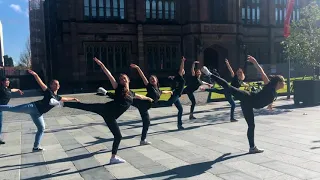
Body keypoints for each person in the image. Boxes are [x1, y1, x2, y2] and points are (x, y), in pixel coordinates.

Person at [63, 57, 153, 164]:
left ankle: (113, 158)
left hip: (111, 117)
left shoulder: (132, 94)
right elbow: (108, 74)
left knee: (118, 136)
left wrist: (148, 98)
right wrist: (101, 65)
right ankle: (62, 103)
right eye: (121, 79)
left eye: (125, 78)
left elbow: (141, 97)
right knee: (84, 106)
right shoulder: (118, 87)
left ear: (128, 80)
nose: (123, 80)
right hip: (105, 108)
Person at [201, 55, 285, 154]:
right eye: (283, 82)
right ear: (278, 83)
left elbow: (270, 98)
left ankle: (252, 147)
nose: (284, 83)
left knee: (251, 125)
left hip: (248, 104)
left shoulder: (274, 92)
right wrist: (255, 62)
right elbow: (261, 72)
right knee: (228, 87)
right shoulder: (269, 85)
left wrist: (270, 104)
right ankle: (210, 74)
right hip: (248, 97)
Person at [0, 70, 79, 151]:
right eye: (55, 84)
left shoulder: (58, 97)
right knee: (13, 108)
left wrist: (73, 98)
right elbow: (40, 82)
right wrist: (35, 74)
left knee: (41, 128)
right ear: (51, 85)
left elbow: (65, 99)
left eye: (58, 84)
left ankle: (36, 147)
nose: (57, 85)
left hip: (38, 114)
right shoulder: (48, 91)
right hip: (32, 107)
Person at [0, 77, 24, 144]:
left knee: (0, 124)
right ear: (2, 82)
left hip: (1, 109)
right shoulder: (1, 89)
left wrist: (18, 90)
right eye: (6, 81)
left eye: (8, 81)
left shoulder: (6, 89)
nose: (8, 82)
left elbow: (12, 90)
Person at [167, 56, 186, 130]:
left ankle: (179, 125)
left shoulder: (177, 77)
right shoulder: (179, 77)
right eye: (182, 70)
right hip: (176, 94)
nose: (183, 71)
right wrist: (183, 61)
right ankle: (154, 103)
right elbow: (181, 69)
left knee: (180, 109)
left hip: (177, 95)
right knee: (168, 103)